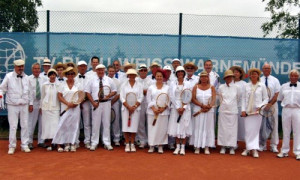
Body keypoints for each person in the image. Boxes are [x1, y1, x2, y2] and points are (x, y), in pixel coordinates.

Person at [0, 59, 31, 154]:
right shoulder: (8, 77)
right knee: (13, 126)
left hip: (24, 104)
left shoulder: (27, 77)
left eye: (22, 66)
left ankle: (24, 145)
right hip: (12, 105)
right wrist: (1, 96)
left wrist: (31, 103)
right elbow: (2, 89)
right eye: (19, 66)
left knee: (25, 125)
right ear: (15, 67)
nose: (21, 68)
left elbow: (30, 92)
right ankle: (12, 146)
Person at [85, 64, 117, 151]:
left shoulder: (109, 80)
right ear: (96, 71)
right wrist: (93, 103)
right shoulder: (91, 80)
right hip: (96, 104)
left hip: (107, 104)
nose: (100, 72)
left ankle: (107, 142)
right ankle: (94, 143)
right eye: (99, 70)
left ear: (104, 71)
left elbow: (114, 91)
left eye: (102, 70)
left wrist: (109, 95)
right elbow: (87, 92)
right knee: (95, 124)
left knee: (106, 124)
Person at [52, 67, 81, 152]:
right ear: (66, 75)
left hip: (75, 108)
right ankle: (66, 143)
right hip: (65, 107)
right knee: (64, 125)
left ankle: (73, 143)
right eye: (68, 74)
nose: (70, 75)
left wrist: (75, 104)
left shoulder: (78, 84)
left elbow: (81, 96)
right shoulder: (62, 84)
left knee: (74, 125)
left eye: (72, 74)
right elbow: (59, 96)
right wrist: (67, 103)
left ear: (74, 75)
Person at [241, 68, 268, 158]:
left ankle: (254, 149)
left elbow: (266, 98)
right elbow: (243, 99)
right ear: (250, 76)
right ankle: (248, 148)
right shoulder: (246, 86)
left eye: (255, 74)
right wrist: (243, 110)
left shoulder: (262, 86)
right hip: (248, 112)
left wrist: (260, 107)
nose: (253, 76)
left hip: (257, 113)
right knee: (248, 131)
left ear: (258, 75)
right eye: (252, 74)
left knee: (255, 131)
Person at [168, 66, 192, 155]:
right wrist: (178, 107)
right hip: (175, 108)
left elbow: (189, 95)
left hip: (185, 107)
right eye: (178, 72)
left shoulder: (188, 83)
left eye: (182, 72)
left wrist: (184, 107)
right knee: (176, 127)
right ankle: (177, 147)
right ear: (176, 73)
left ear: (184, 73)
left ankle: (183, 148)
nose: (180, 73)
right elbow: (171, 96)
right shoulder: (172, 83)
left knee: (184, 127)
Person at [190, 71, 216, 155]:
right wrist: (202, 105)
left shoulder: (212, 87)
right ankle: (197, 146)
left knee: (207, 128)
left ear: (208, 78)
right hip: (198, 110)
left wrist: (209, 106)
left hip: (208, 111)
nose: (204, 78)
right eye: (202, 77)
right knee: (198, 127)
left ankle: (206, 146)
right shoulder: (195, 87)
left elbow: (214, 99)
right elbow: (193, 99)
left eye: (205, 77)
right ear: (200, 78)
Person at [277, 69, 300, 160]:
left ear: (298, 77)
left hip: (297, 110)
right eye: (292, 75)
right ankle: (284, 151)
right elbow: (280, 98)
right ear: (289, 76)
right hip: (286, 110)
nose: (293, 77)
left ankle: (298, 152)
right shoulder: (284, 86)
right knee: (286, 131)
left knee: (297, 131)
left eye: (295, 76)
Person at [147, 69, 170, 153]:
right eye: (157, 76)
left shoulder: (167, 87)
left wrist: (163, 108)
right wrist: (153, 109)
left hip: (163, 112)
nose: (159, 77)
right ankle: (152, 145)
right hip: (152, 112)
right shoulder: (151, 87)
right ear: (155, 77)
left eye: (161, 76)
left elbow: (169, 99)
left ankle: (160, 145)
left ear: (163, 77)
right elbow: (148, 99)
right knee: (152, 128)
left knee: (162, 129)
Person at [120, 69, 143, 152]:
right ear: (128, 76)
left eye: (133, 74)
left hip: (135, 109)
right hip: (125, 109)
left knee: (133, 126)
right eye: (130, 74)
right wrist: (128, 107)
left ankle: (132, 144)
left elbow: (141, 97)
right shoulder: (123, 85)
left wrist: (134, 106)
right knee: (126, 127)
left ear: (135, 76)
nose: (131, 76)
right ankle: (127, 144)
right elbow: (122, 97)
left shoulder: (139, 85)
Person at [217, 70, 239, 155]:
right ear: (225, 78)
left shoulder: (237, 87)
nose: (229, 78)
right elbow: (219, 99)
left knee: (232, 130)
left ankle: (231, 147)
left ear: (233, 78)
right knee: (223, 129)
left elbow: (239, 98)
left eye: (230, 77)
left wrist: (232, 105)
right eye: (227, 77)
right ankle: (223, 146)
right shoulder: (221, 87)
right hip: (222, 110)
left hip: (233, 111)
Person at [260, 63, 281, 153]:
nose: (266, 70)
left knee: (274, 125)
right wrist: (264, 105)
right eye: (265, 68)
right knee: (262, 126)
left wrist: (270, 104)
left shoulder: (275, 80)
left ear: (270, 69)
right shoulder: (259, 80)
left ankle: (273, 145)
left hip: (273, 106)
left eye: (268, 68)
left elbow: (277, 94)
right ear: (262, 69)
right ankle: (262, 144)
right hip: (262, 107)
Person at [40, 69, 60, 151]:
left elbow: (60, 97)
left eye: (54, 74)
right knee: (48, 127)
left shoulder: (59, 85)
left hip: (56, 108)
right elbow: (42, 97)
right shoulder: (44, 85)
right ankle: (50, 144)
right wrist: (41, 107)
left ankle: (58, 144)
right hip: (46, 108)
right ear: (48, 76)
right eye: (51, 74)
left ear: (56, 75)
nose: (52, 76)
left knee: (56, 126)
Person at [74, 60, 92, 149]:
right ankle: (76, 141)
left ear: (86, 67)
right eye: (81, 66)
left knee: (87, 123)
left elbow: (89, 91)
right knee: (76, 123)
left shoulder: (89, 78)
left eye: (84, 66)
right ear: (77, 68)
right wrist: (78, 101)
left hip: (86, 103)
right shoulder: (74, 78)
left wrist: (83, 100)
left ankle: (87, 141)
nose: (82, 68)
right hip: (76, 104)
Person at [28, 63, 45, 149]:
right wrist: (30, 104)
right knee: (31, 123)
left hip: (41, 103)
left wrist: (42, 106)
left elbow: (45, 92)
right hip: (33, 103)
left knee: (42, 123)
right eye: (35, 68)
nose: (37, 70)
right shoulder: (28, 79)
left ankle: (41, 141)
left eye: (38, 68)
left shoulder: (44, 79)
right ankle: (29, 142)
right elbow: (29, 93)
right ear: (32, 70)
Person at [135, 64, 153, 148]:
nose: (143, 72)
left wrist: (142, 91)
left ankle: (150, 141)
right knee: (140, 122)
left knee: (149, 122)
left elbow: (150, 92)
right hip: (139, 103)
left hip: (149, 102)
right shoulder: (135, 80)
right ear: (138, 71)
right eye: (141, 70)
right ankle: (142, 140)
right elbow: (136, 92)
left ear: (147, 71)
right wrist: (144, 91)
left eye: (144, 70)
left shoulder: (151, 81)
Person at [230, 66, 247, 144]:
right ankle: (231, 142)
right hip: (230, 108)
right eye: (234, 72)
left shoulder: (244, 84)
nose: (235, 74)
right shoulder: (229, 83)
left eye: (237, 72)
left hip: (240, 107)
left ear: (240, 74)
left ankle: (237, 142)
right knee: (231, 126)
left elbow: (245, 97)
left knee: (240, 126)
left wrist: (243, 108)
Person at [107, 65, 122, 146]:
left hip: (115, 103)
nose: (111, 73)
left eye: (113, 71)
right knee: (106, 121)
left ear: (115, 72)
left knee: (116, 121)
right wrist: (107, 102)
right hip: (105, 103)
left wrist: (112, 102)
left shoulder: (117, 81)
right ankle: (106, 139)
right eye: (110, 71)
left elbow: (118, 94)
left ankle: (116, 138)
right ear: (107, 71)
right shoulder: (104, 80)